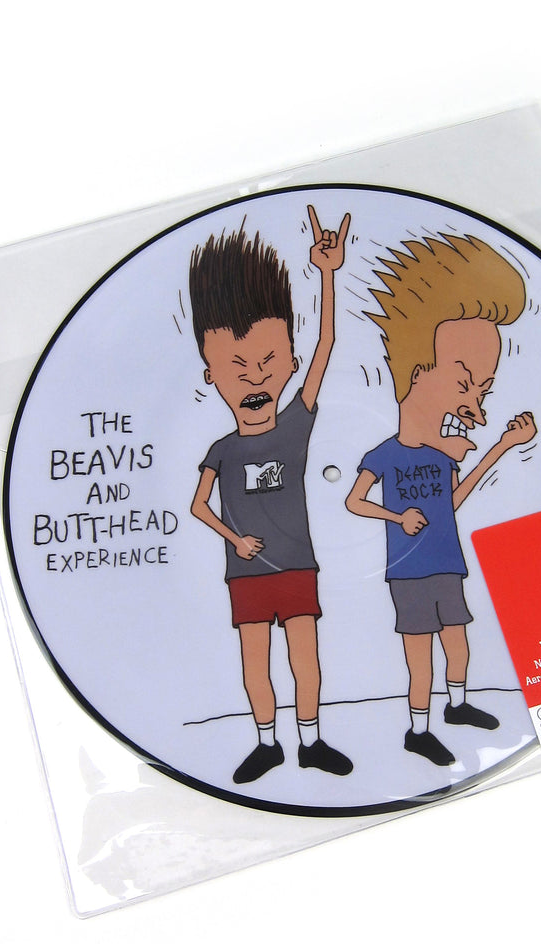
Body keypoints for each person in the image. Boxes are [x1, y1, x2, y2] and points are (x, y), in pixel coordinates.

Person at [346, 233, 537, 765]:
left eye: (484, 390)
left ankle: (457, 706)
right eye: (464, 383)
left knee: (458, 641)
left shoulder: (444, 454)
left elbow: (453, 501)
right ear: (417, 372)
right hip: (408, 573)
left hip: (447, 565)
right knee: (419, 656)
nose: (476, 406)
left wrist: (502, 445)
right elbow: (354, 501)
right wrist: (396, 515)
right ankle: (418, 730)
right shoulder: (384, 453)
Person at [190, 207, 354, 784]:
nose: (255, 377)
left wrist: (327, 274)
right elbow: (198, 505)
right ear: (210, 372)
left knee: (304, 658)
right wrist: (235, 540)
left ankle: (310, 741)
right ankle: (267, 744)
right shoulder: (220, 449)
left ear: (288, 361)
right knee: (255, 663)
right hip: (246, 573)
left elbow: (326, 342)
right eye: (236, 365)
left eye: (268, 361)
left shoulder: (295, 426)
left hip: (297, 566)